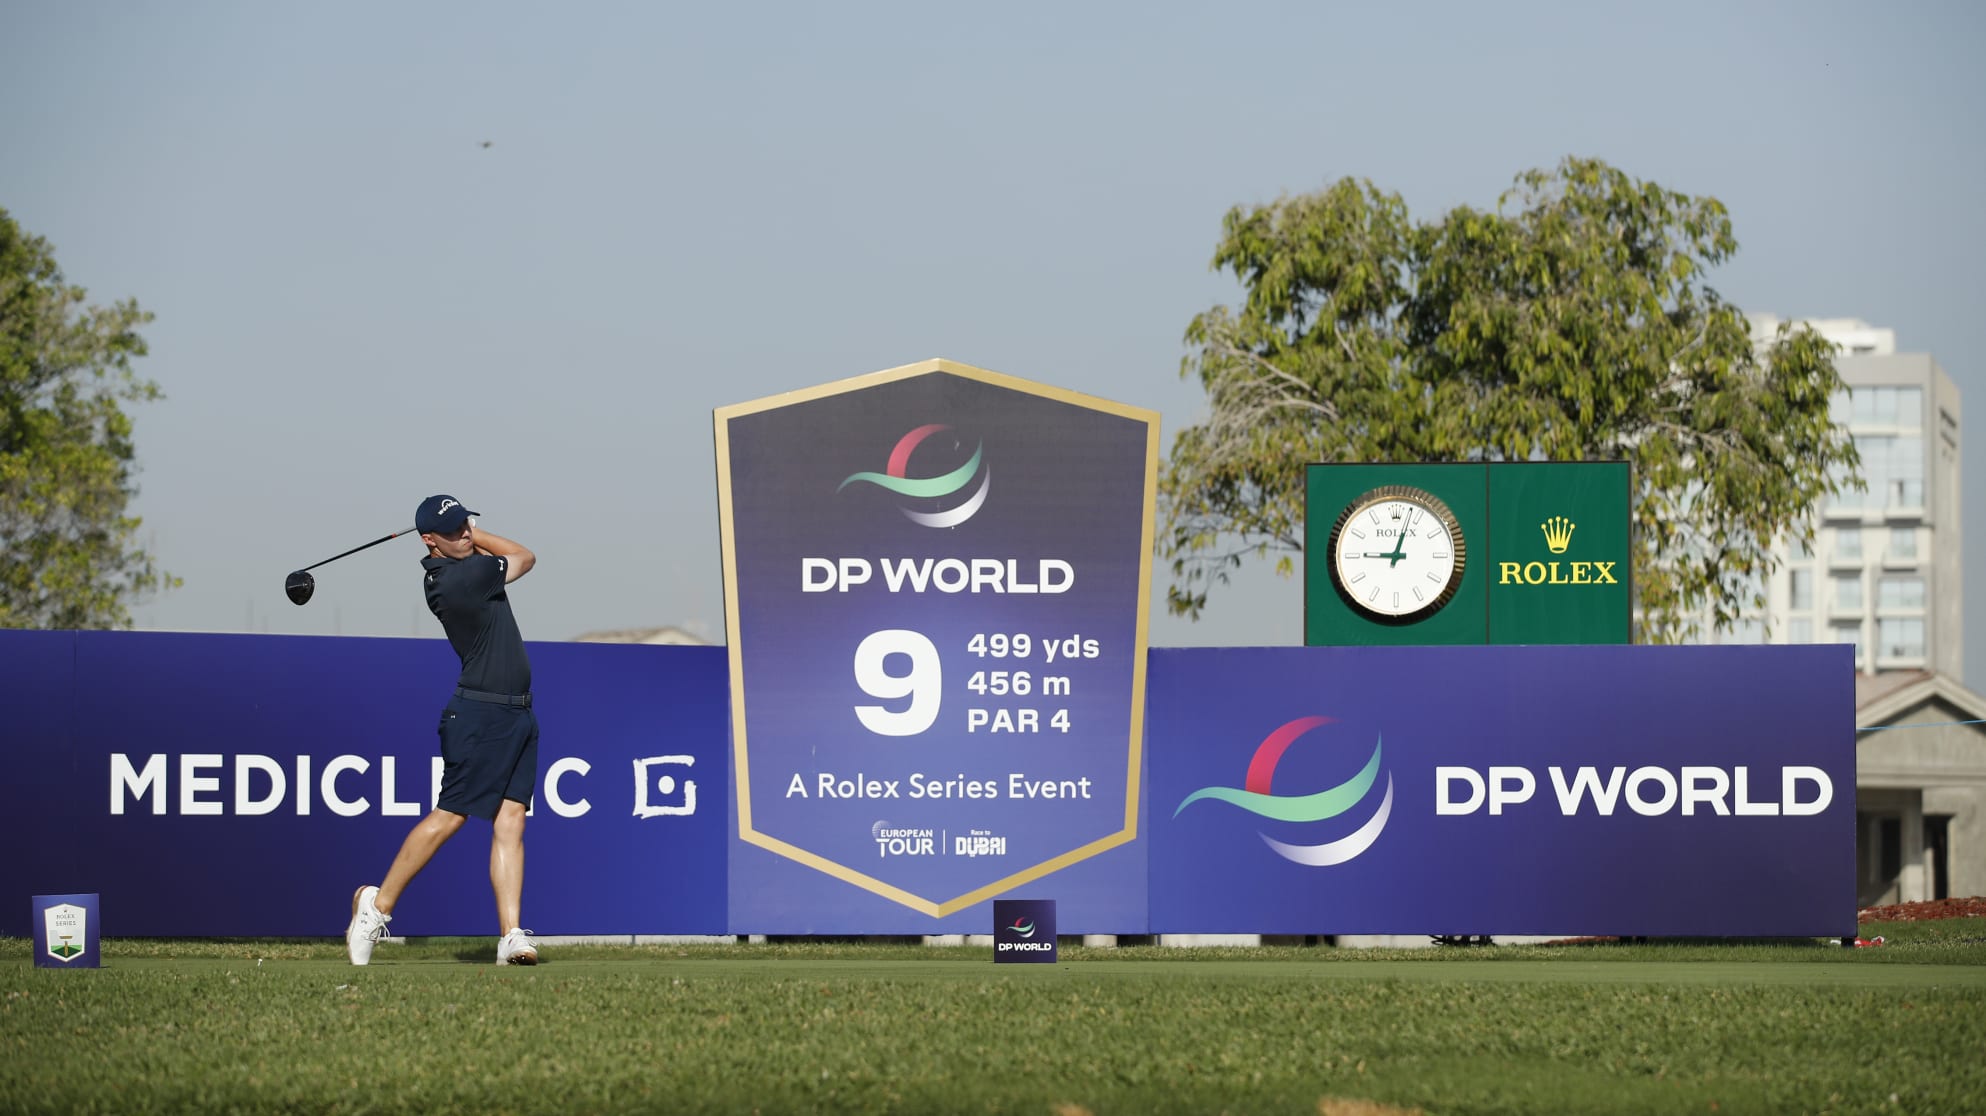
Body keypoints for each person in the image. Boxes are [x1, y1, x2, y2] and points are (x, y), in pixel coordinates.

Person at [345, 494, 541, 966]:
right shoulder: (460, 578)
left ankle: (511, 935)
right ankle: (377, 907)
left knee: (511, 819)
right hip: (479, 715)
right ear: (429, 541)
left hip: (517, 713)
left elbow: (498, 555)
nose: (465, 534)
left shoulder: (466, 565)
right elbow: (525, 556)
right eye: (453, 530)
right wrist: (478, 536)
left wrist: (464, 533)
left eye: (466, 524)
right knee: (450, 815)